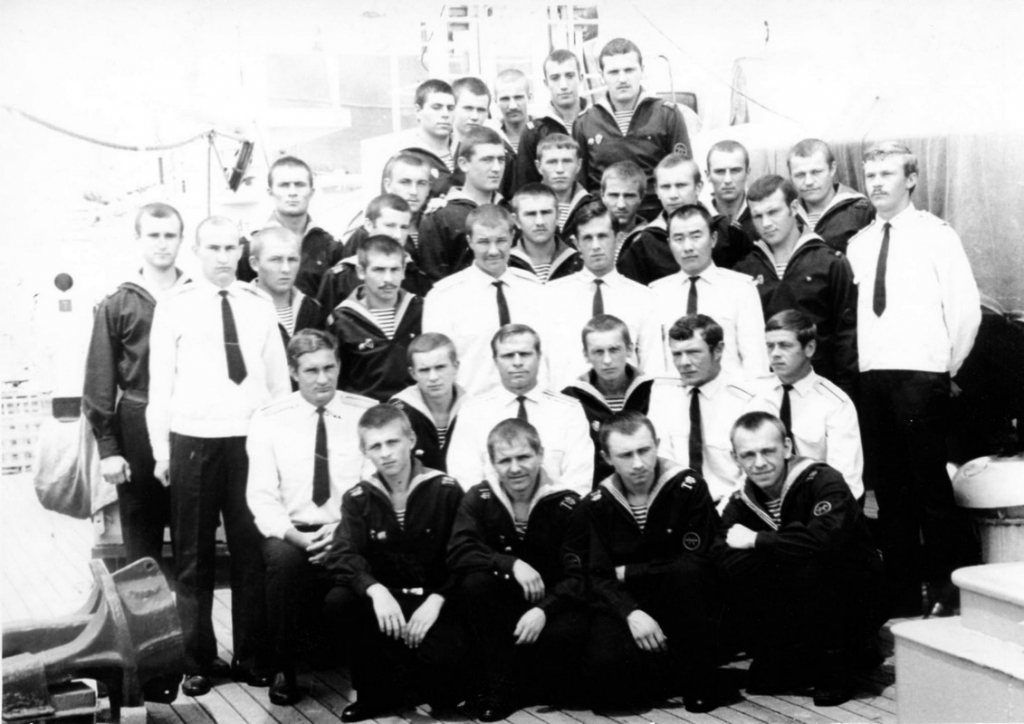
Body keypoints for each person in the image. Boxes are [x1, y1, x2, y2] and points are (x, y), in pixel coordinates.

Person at [147, 216, 291, 696]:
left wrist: (280, 449)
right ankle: (196, 660)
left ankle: (250, 656)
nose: (224, 257)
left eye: (231, 248)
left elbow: (278, 384)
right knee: (193, 556)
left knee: (250, 554)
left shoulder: (258, 304)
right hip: (193, 441)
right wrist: (161, 452)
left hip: (249, 442)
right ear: (197, 252)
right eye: (213, 248)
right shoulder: (175, 306)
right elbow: (159, 387)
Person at [846, 141, 981, 617]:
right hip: (875, 378)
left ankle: (947, 590)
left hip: (922, 376)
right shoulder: (859, 244)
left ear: (911, 179)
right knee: (890, 491)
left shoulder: (936, 236)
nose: (877, 183)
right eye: (871, 175)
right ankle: (903, 593)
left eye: (887, 174)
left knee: (930, 488)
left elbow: (964, 310)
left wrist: (943, 368)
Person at [716, 411, 886, 706]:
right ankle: (804, 653)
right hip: (796, 594)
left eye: (768, 451)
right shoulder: (740, 501)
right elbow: (724, 554)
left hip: (857, 592)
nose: (759, 463)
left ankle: (839, 661)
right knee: (761, 681)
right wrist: (786, 549)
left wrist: (758, 540)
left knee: (817, 565)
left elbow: (823, 542)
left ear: (787, 447)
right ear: (735, 458)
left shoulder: (823, 480)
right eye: (748, 455)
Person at [245, 329, 375, 705]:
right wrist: (297, 536)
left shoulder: (365, 413)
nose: (322, 379)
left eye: (329, 368)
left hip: (349, 527)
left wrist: (344, 529)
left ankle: (369, 670)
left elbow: (372, 486)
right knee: (283, 564)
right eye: (311, 370)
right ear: (292, 372)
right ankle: (284, 669)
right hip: (293, 531)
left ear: (339, 365)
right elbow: (261, 495)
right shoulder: (269, 419)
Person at [322, 405, 467, 722]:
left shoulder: (445, 490)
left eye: (392, 442)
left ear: (411, 440)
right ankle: (373, 694)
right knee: (339, 600)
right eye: (375, 446)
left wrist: (438, 599)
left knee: (444, 691)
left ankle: (423, 683)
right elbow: (342, 554)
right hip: (387, 606)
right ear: (364, 451)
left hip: (434, 602)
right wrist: (375, 590)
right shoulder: (358, 498)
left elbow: (464, 555)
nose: (386, 453)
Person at [578, 411, 720, 713]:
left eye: (644, 450)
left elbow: (699, 559)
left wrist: (630, 572)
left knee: (691, 574)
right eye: (625, 455)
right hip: (632, 603)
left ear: (657, 444)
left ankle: (698, 679)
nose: (638, 463)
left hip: (684, 599)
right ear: (606, 457)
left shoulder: (688, 487)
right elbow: (598, 576)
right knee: (607, 679)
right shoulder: (597, 504)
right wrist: (630, 612)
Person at [447, 419, 586, 720]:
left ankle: (531, 685)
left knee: (566, 648)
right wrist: (510, 563)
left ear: (540, 454)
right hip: (501, 603)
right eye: (504, 460)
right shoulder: (479, 497)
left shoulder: (567, 502)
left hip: (552, 604)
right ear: (492, 463)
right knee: (474, 583)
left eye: (523, 457)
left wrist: (543, 610)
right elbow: (459, 549)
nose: (515, 468)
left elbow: (580, 575)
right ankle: (500, 689)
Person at [83, 202, 187, 571]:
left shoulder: (197, 296)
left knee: (192, 531)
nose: (162, 243)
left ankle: (192, 612)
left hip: (189, 420)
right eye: (153, 235)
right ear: (138, 239)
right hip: (137, 421)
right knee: (142, 534)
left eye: (170, 235)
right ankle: (143, 610)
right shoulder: (118, 303)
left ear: (181, 239)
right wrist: (109, 449)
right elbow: (99, 380)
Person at [734, 175, 857, 395]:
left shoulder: (829, 263)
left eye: (773, 212)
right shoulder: (744, 270)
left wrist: (843, 394)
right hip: (765, 392)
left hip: (820, 390)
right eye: (758, 216)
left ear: (793, 207)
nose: (766, 223)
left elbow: (847, 338)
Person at [448, 324, 594, 496]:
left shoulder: (568, 411)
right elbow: (465, 478)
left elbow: (579, 479)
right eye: (508, 356)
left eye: (525, 354)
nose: (517, 362)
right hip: (491, 511)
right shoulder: (473, 413)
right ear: (495, 360)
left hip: (557, 511)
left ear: (539, 356)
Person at [422, 204, 545, 396]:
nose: (493, 251)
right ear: (469, 241)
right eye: (483, 242)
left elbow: (549, 355)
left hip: (531, 403)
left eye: (501, 240)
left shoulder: (534, 289)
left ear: (513, 237)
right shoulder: (443, 298)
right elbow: (436, 365)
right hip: (473, 405)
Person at [574, 38, 692, 221]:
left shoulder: (667, 115)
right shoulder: (585, 122)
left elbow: (684, 175)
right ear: (601, 75)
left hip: (656, 219)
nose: (622, 79)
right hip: (604, 221)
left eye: (629, 70)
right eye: (614, 72)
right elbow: (580, 187)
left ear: (642, 70)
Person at [647, 314, 760, 503]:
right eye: (677, 354)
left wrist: (724, 511)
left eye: (693, 352)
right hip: (678, 503)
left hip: (732, 505)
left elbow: (751, 470)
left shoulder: (745, 399)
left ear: (718, 350)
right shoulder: (663, 390)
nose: (684, 363)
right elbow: (660, 457)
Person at [752, 311, 864, 500]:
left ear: (809, 348)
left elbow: (845, 482)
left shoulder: (835, 403)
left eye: (785, 345)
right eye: (770, 346)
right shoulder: (753, 395)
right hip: (764, 501)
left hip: (818, 501)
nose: (775, 354)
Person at [547, 201, 661, 383]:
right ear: (576, 244)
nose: (596, 246)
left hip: (627, 398)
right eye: (587, 238)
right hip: (569, 397)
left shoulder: (643, 297)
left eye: (602, 236)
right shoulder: (552, 296)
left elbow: (652, 364)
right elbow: (544, 363)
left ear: (617, 239)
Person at [650, 205, 768, 379]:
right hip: (674, 392)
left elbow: (756, 361)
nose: (687, 247)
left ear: (713, 239)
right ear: (669, 243)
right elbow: (654, 364)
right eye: (679, 239)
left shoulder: (741, 289)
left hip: (729, 392)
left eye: (696, 236)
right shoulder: (656, 294)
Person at [561, 315, 654, 486]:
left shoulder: (652, 391)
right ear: (586, 355)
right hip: (595, 494)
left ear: (629, 349)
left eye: (614, 350)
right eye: (598, 352)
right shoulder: (571, 398)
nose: (607, 360)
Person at [328, 235, 422, 402]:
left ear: (404, 271)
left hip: (413, 410)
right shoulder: (342, 319)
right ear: (361, 271)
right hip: (363, 412)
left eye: (395, 270)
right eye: (379, 270)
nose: (388, 279)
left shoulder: (421, 310)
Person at [238, 156, 343, 297]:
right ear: (270, 192)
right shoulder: (249, 247)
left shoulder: (331, 247)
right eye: (284, 185)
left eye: (299, 185)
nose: (292, 192)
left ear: (311, 192)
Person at [417, 126, 509, 283]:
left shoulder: (509, 210)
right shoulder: (440, 218)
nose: (496, 168)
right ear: (464, 164)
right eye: (487, 160)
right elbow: (435, 283)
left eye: (501, 160)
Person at [319, 194, 430, 319]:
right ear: (369, 225)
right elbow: (323, 326)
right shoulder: (340, 278)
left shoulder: (416, 276)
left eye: (404, 227)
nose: (398, 235)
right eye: (390, 225)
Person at [389, 332, 466, 472]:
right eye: (424, 370)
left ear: (455, 367)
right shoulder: (399, 411)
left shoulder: (472, 407)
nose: (433, 377)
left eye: (440, 367)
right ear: (412, 373)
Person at [787, 138, 875, 253]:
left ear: (832, 169)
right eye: (800, 175)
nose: (808, 182)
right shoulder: (786, 214)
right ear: (790, 177)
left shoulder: (861, 211)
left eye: (816, 172)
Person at [516, 49, 587, 189]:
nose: (564, 85)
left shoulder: (597, 121)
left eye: (570, 76)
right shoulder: (534, 131)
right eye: (555, 78)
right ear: (546, 83)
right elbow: (526, 187)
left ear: (581, 78)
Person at [248, 226, 325, 351]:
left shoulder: (312, 309)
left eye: (292, 259)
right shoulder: (238, 308)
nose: (286, 268)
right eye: (275, 260)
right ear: (255, 264)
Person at [391, 79, 458, 200]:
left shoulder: (464, 151)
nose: (445, 114)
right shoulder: (405, 157)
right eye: (436, 107)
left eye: (450, 108)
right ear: (418, 111)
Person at [453, 76, 516, 198]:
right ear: (452, 107)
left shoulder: (501, 151)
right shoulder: (436, 148)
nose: (475, 117)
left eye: (481, 110)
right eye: (468, 108)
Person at [508, 183, 581, 282]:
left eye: (546, 213)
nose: (540, 222)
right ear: (516, 220)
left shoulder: (579, 262)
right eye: (531, 214)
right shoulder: (505, 265)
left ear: (558, 216)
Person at [533, 133, 593, 242]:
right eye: (552, 162)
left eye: (567, 161)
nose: (560, 169)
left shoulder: (592, 207)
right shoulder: (524, 207)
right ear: (539, 167)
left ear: (579, 165)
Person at [706, 140, 758, 244]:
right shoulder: (698, 219)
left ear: (748, 173)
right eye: (720, 171)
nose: (728, 180)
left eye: (735, 171)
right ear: (708, 175)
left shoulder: (763, 214)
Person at [600, 160, 646, 248]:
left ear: (641, 197)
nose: (621, 205)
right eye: (614, 195)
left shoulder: (652, 240)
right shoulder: (586, 235)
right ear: (602, 195)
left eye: (629, 196)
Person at [493, 68, 532, 155]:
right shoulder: (489, 138)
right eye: (505, 99)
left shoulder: (545, 133)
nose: (512, 106)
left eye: (518, 97)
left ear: (529, 97)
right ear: (496, 101)